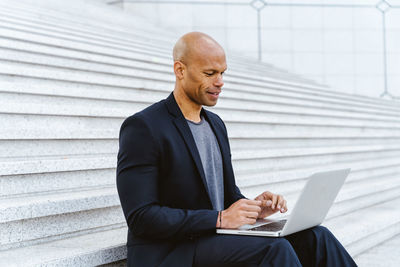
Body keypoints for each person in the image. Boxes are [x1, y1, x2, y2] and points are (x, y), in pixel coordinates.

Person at [116, 32, 357, 267]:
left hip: (214, 238)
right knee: (274, 250)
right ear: (180, 70)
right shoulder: (144, 127)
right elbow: (142, 217)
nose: (219, 82)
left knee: (317, 237)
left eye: (222, 73)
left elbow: (228, 196)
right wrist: (221, 218)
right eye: (210, 73)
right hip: (174, 250)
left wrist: (253, 208)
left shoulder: (216, 124)